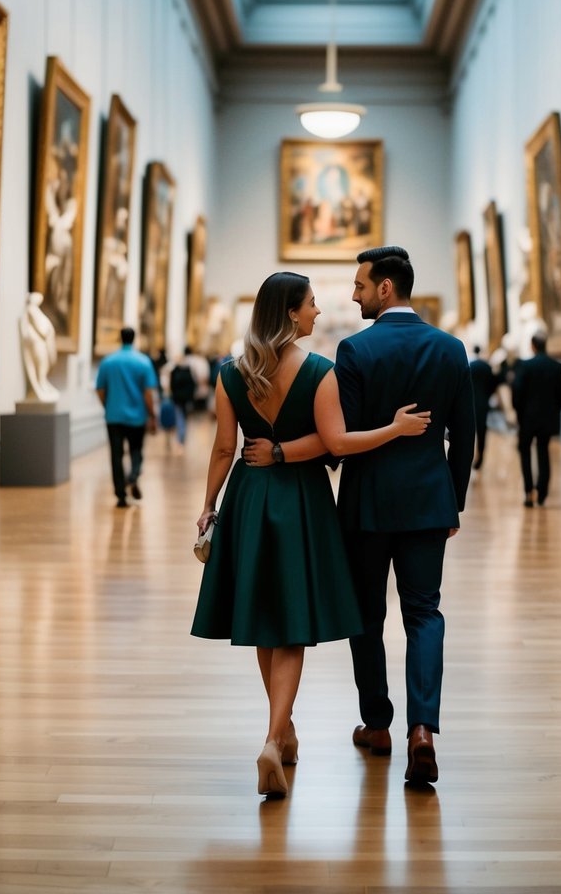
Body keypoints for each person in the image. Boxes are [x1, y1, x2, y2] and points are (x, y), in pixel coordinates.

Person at [190, 271, 430, 800]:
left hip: (250, 497)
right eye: (312, 305)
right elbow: (334, 444)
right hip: (300, 501)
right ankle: (276, 738)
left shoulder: (233, 373)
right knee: (291, 626)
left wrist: (209, 505)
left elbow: (224, 450)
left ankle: (284, 731)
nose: (318, 313)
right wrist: (392, 429)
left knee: (261, 623)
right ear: (291, 313)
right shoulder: (320, 371)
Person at [333, 246, 475, 786]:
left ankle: (378, 724)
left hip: (367, 504)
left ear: (385, 287)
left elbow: (343, 442)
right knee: (424, 614)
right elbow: (464, 434)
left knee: (367, 616)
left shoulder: (355, 351)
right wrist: (452, 500)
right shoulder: (449, 349)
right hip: (426, 503)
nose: (354, 294)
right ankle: (423, 731)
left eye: (361, 285)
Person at [95, 327, 159, 507]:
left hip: (114, 416)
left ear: (120, 338)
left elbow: (99, 389)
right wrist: (152, 415)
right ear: (134, 339)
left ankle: (121, 494)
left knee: (116, 455)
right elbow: (148, 393)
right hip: (137, 417)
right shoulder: (143, 362)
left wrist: (108, 405)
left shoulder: (108, 362)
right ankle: (133, 476)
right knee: (136, 451)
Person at [512, 330, 561, 507]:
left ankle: (528, 492)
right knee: (543, 452)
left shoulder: (525, 366)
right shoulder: (558, 367)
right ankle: (542, 493)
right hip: (547, 419)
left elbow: (517, 393)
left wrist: (519, 412)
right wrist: (553, 411)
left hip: (527, 418)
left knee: (525, 452)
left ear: (533, 345)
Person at [468, 344, 496, 470]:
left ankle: (469, 457)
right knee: (482, 431)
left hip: (470, 403)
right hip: (483, 403)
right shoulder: (487, 367)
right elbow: (492, 385)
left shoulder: (470, 365)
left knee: (469, 431)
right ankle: (481, 457)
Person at [169, 349, 197, 445]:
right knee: (183, 418)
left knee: (180, 418)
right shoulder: (187, 371)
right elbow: (193, 384)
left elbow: (172, 386)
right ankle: (182, 436)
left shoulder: (174, 371)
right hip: (185, 399)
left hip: (178, 398)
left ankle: (181, 437)